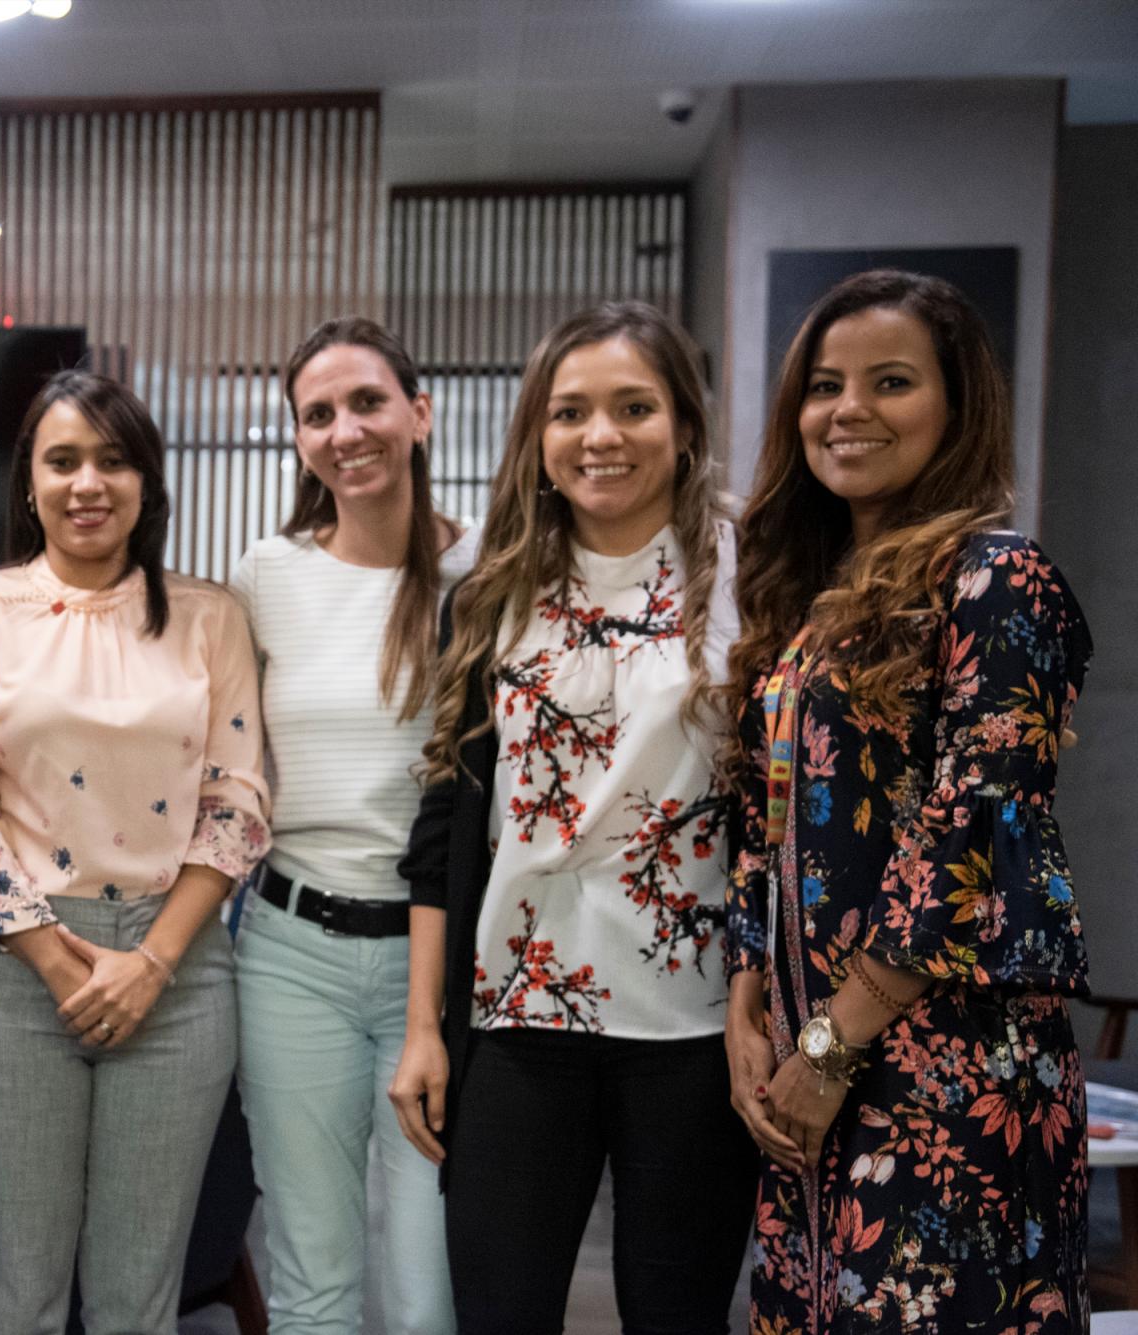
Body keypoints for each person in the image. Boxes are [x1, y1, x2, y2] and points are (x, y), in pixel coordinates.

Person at [722, 269, 1091, 1331]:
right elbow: (765, 812)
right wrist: (744, 1007)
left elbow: (972, 823)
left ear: (954, 404)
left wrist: (832, 1047)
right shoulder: (810, 602)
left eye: (888, 382)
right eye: (823, 385)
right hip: (803, 1065)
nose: (847, 410)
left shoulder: (996, 579)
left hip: (940, 1066)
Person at [393, 301, 756, 1332]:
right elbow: (441, 829)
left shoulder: (752, 577)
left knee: (674, 1318)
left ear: (682, 425)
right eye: (569, 413)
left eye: (632, 407)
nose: (599, 436)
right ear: (536, 439)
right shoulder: (489, 593)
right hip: (515, 1017)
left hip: (695, 1031)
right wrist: (424, 1030)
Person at [0, 369, 271, 1334]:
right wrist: (55, 960)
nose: (88, 483)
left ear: (148, 483)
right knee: (17, 1292)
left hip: (177, 968)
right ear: (28, 483)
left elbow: (236, 800)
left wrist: (152, 962)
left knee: (137, 1294)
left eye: (113, 461)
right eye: (62, 460)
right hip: (11, 972)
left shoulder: (210, 615)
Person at [228, 316, 473, 1334]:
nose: (344, 430)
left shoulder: (487, 576)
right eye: (315, 414)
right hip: (290, 952)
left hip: (444, 959)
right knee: (311, 1283)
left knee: (426, 1297)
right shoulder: (264, 578)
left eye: (366, 402)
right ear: (296, 440)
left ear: (418, 414)